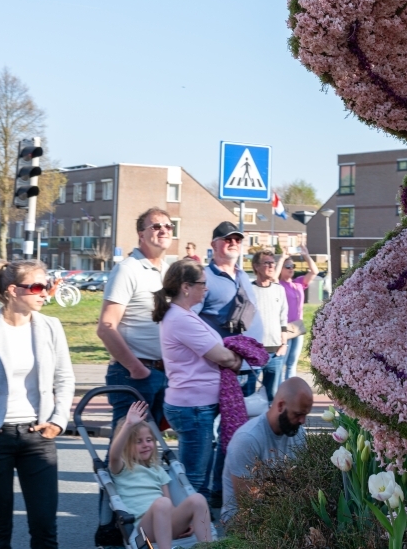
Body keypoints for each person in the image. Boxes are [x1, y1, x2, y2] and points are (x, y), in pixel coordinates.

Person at [0, 260, 74, 549]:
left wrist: (58, 422)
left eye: (46, 285)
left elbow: (65, 377)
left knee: (45, 528)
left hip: (37, 436)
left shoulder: (51, 327)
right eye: (37, 287)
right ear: (13, 290)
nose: (45, 292)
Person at [154, 259, 243, 506]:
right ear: (186, 287)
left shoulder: (184, 315)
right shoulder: (180, 318)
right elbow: (221, 356)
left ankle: (196, 522)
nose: (206, 288)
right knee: (193, 478)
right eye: (202, 283)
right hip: (193, 406)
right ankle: (189, 525)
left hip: (194, 404)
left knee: (197, 476)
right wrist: (236, 360)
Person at [98, 207, 172, 429]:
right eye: (156, 226)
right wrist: (136, 369)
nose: (164, 230)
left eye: (168, 226)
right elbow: (106, 327)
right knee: (126, 443)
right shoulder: (127, 270)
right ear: (141, 234)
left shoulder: (168, 272)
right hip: (134, 374)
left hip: (162, 372)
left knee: (148, 445)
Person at [108, 400, 210, 549]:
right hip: (144, 531)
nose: (145, 445)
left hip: (167, 524)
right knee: (162, 503)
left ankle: (208, 546)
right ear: (126, 446)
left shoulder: (158, 470)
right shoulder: (122, 468)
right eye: (138, 442)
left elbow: (170, 507)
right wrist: (128, 425)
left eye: (149, 440)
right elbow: (114, 456)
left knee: (198, 499)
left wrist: (186, 522)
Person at [221, 376, 313, 524]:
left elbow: (302, 483)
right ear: (281, 406)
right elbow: (246, 504)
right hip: (242, 520)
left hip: (283, 512)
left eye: (305, 415)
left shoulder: (299, 433)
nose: (303, 421)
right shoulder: (247, 439)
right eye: (298, 414)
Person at [199, 222, 264, 343]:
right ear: (214, 245)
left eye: (238, 240)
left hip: (254, 352)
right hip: (222, 353)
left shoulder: (243, 276)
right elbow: (188, 319)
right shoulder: (202, 277)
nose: (234, 243)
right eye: (228, 239)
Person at [249, 250, 291, 400]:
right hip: (253, 352)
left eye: (272, 262)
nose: (271, 266)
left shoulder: (279, 290)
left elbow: (283, 318)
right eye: (266, 263)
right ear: (256, 266)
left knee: (272, 397)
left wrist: (284, 344)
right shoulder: (249, 290)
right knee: (248, 396)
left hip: (275, 353)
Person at [278, 246, 317, 380]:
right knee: (282, 363)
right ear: (281, 269)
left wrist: (306, 255)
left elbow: (314, 271)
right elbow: (273, 277)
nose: (291, 268)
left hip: (297, 327)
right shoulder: (278, 285)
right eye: (287, 266)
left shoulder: (299, 282)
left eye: (292, 266)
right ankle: (279, 389)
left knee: (292, 364)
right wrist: (282, 258)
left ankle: (290, 391)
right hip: (285, 328)